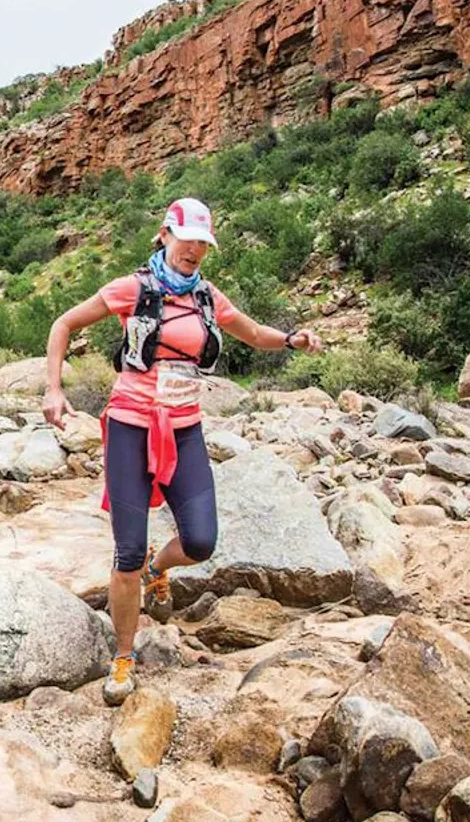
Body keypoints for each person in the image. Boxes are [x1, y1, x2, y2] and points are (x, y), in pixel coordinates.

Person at [42, 197, 323, 705]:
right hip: (131, 427)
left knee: (201, 541)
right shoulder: (133, 288)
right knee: (126, 552)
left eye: (203, 243)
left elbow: (253, 333)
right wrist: (54, 390)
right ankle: (124, 657)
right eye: (187, 238)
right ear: (166, 235)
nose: (195, 249)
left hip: (184, 428)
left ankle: (159, 568)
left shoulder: (207, 297)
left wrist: (291, 339)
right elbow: (63, 324)